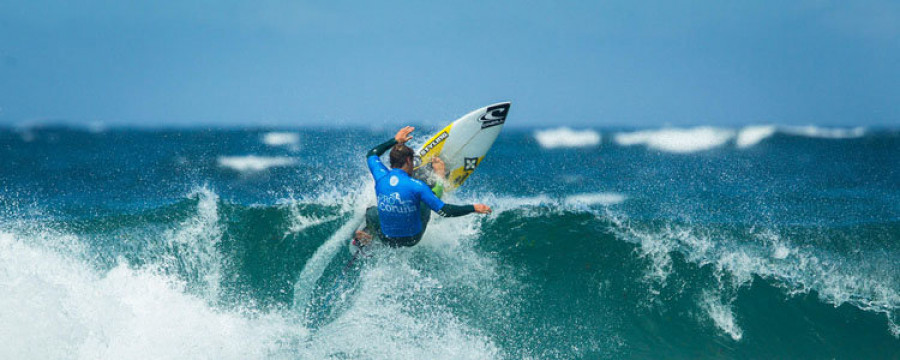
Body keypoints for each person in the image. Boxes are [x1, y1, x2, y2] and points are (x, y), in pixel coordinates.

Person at [354, 126, 492, 247]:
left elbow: (372, 154)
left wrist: (395, 140)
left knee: (372, 211)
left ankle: (368, 234)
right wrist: (473, 208)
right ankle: (440, 177)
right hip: (412, 239)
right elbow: (445, 211)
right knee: (426, 201)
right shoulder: (417, 186)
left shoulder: (380, 177)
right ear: (408, 160)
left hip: (387, 239)